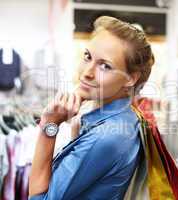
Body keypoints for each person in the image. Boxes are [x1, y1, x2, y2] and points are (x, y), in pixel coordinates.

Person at [28, 16, 154, 199]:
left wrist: (49, 125)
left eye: (105, 66)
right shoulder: (126, 117)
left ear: (130, 78)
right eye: (87, 57)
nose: (86, 73)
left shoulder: (107, 136)